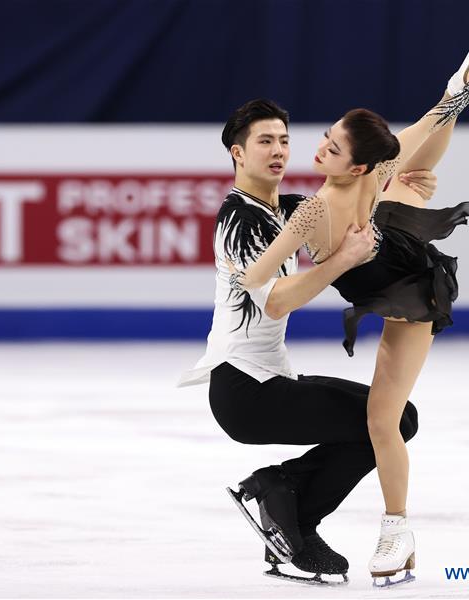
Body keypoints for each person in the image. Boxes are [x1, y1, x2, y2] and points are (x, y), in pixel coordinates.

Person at [229, 25, 469, 585]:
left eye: (331, 146)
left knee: (385, 420)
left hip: (413, 284)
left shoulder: (372, 172)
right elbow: (258, 279)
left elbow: (432, 123)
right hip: (381, 240)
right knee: (409, 177)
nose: (316, 149)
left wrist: (464, 89)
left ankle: (396, 529)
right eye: (326, 137)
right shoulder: (311, 211)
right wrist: (241, 270)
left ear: (356, 164)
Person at [177, 98, 438, 583]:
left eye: (283, 140)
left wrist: (400, 185)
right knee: (386, 424)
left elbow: (359, 185)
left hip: (268, 381)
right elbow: (275, 301)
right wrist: (340, 261)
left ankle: (285, 492)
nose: (278, 151)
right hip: (244, 390)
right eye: (264, 142)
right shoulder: (241, 219)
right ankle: (292, 511)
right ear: (238, 153)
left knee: (398, 419)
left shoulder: (286, 209)